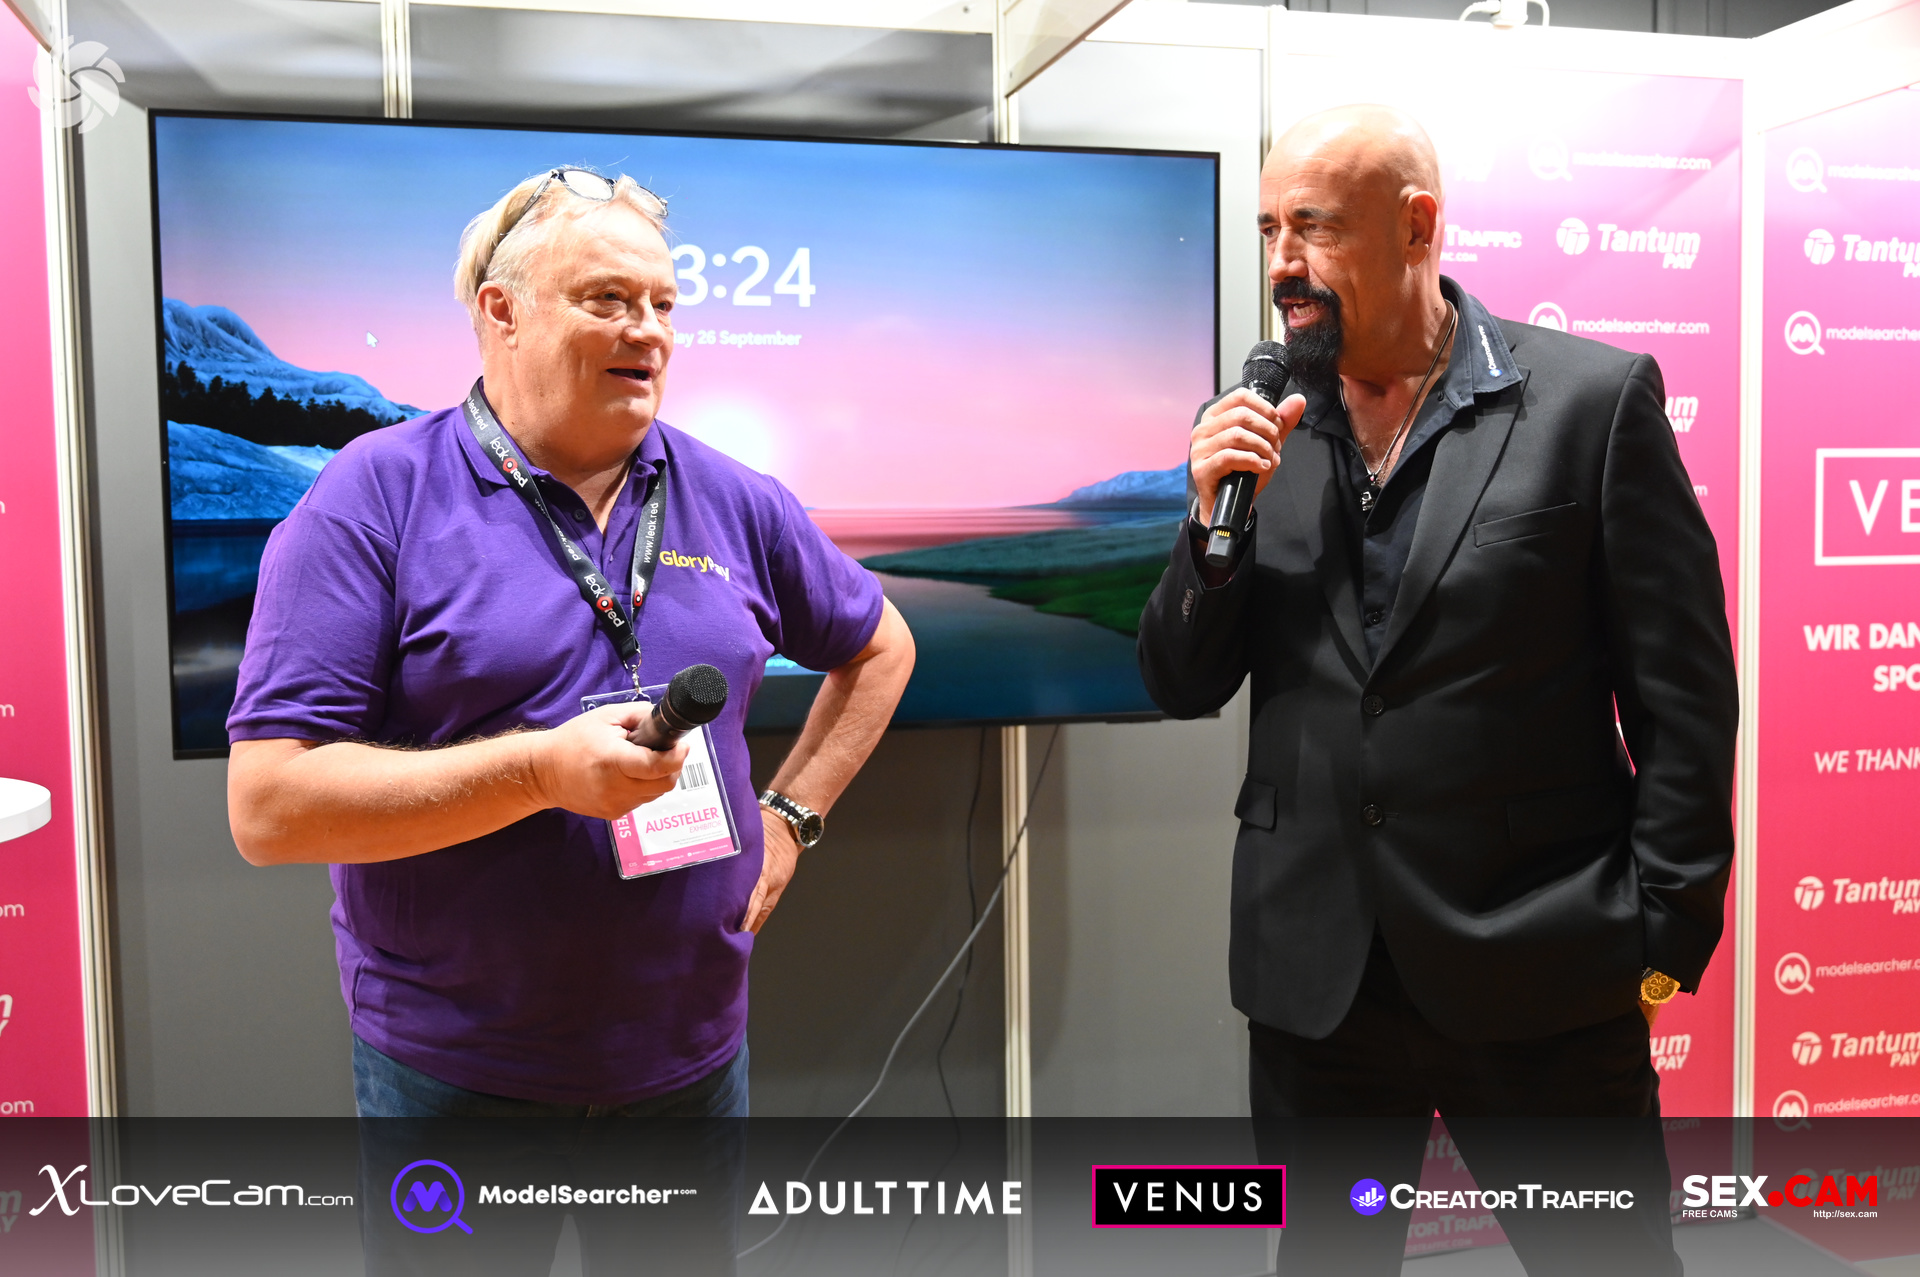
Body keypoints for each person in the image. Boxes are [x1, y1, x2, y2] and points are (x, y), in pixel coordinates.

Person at [1137, 106, 1737, 1273]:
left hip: (1544, 967)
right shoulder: (1257, 430)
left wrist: (1664, 933)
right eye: (1269, 230)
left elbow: (1685, 697)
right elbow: (1180, 679)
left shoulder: (1591, 403)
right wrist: (1210, 530)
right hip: (1318, 987)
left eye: (1314, 226)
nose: (1282, 263)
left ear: (1418, 226)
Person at [225, 167, 915, 1125]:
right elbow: (269, 808)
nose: (650, 330)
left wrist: (792, 814)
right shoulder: (372, 496)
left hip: (693, 1059)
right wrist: (539, 772)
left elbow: (880, 647)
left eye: (663, 304)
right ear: (501, 311)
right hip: (455, 1074)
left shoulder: (737, 497)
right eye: (608, 299)